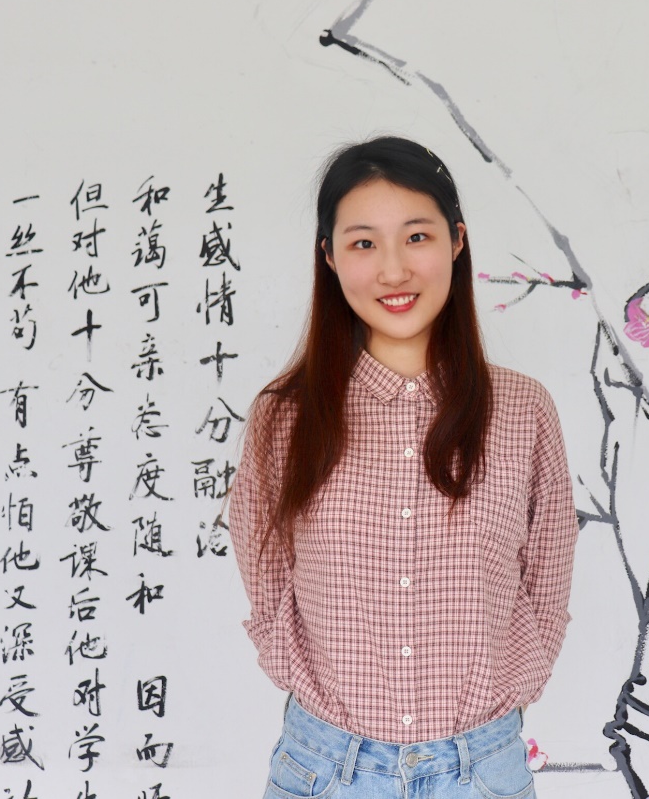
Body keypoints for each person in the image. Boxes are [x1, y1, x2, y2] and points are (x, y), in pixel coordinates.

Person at [228, 136, 578, 799]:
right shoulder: (284, 418)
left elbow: (546, 581)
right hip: (324, 768)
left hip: (482, 769)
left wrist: (512, 681)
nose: (393, 270)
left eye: (416, 236)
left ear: (456, 241)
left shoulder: (523, 410)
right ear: (329, 257)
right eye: (363, 243)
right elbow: (267, 578)